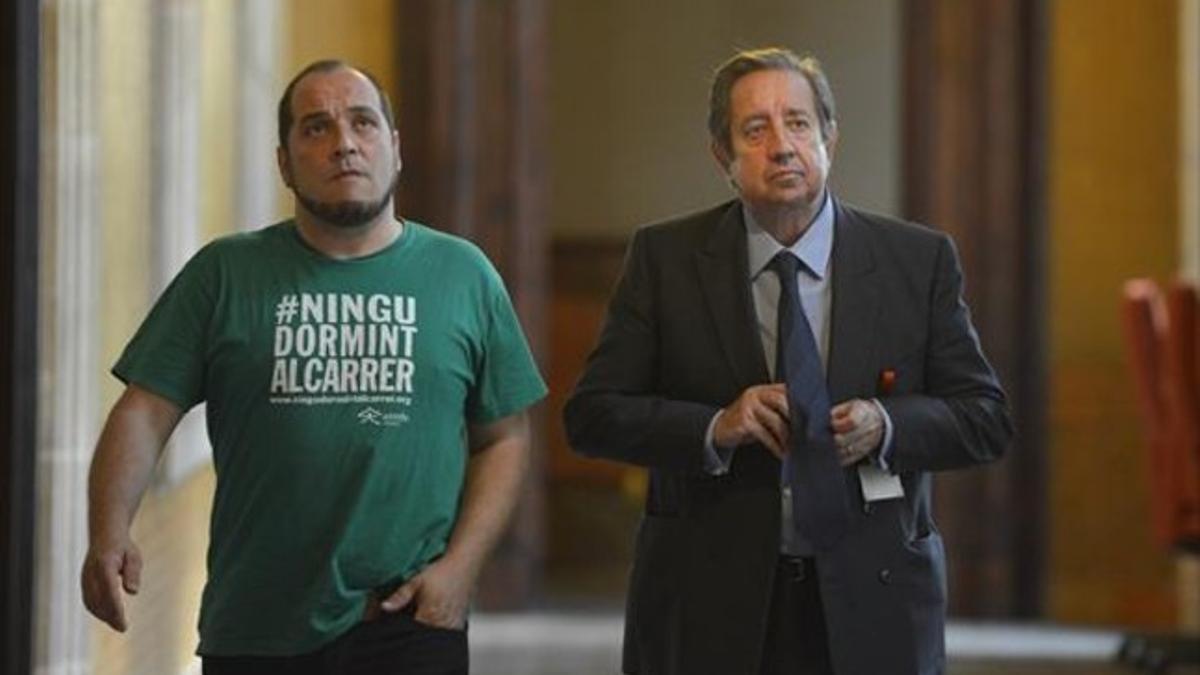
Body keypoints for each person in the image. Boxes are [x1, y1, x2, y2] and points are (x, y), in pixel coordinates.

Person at [80, 60, 546, 675]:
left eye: (362, 122)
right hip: (256, 624)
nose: (344, 143)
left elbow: (504, 437)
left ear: (394, 148)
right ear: (283, 162)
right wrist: (108, 533)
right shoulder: (224, 274)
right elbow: (143, 412)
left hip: (408, 620)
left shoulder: (463, 274)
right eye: (316, 128)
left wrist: (460, 568)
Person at [564, 47, 1012, 675]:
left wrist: (886, 425)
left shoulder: (919, 260)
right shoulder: (664, 259)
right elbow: (593, 415)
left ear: (830, 137)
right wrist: (715, 426)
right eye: (756, 128)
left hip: (874, 598)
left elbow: (985, 418)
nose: (782, 145)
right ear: (722, 155)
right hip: (707, 596)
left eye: (798, 123)